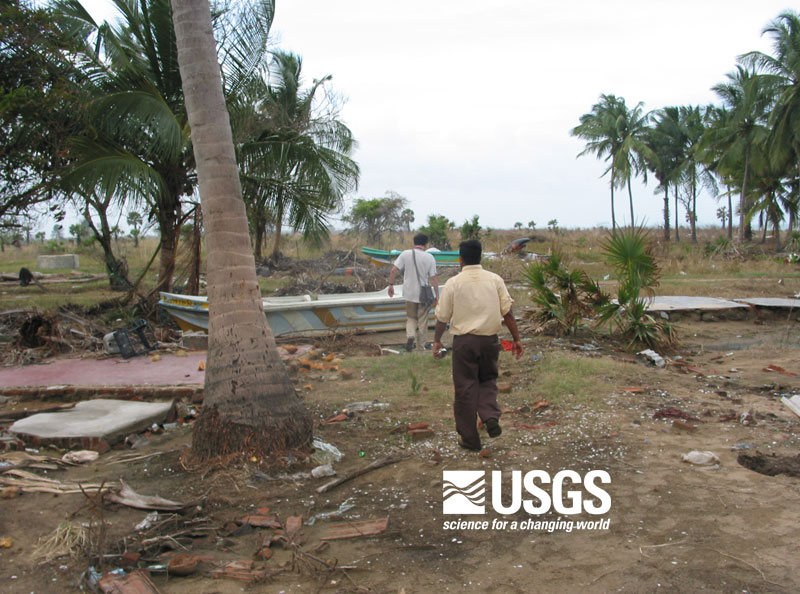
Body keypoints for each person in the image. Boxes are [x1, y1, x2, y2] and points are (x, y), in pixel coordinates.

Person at [433, 239, 523, 451]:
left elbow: (442, 318)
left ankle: (470, 439)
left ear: (460, 259)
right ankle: (490, 416)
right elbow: (507, 313)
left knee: (465, 387)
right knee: (487, 380)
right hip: (489, 341)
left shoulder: (454, 283)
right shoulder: (495, 280)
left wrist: (437, 341)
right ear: (480, 257)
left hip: (464, 343)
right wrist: (517, 339)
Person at [388, 233, 439, 351]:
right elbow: (434, 278)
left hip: (409, 292)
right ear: (426, 244)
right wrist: (437, 296)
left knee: (411, 318)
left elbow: (393, 270)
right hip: (423, 295)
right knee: (423, 321)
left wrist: (391, 285)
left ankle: (410, 335)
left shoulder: (405, 254)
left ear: (414, 242)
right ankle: (420, 347)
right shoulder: (429, 257)